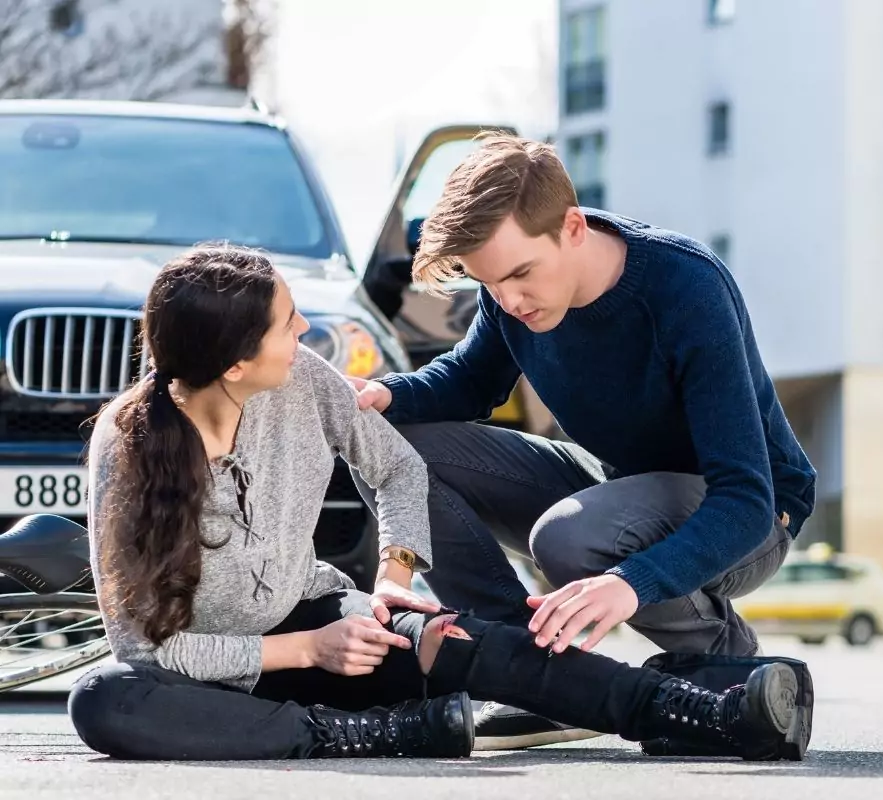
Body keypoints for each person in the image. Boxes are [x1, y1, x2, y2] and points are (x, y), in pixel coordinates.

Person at [66, 243, 804, 763]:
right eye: (286, 325)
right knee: (104, 698)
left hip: (322, 624)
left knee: (463, 640)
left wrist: (393, 574)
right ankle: (360, 734)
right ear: (233, 363)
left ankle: (708, 708)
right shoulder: (126, 453)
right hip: (211, 671)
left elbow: (399, 468)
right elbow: (146, 648)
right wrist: (299, 652)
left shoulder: (304, 382)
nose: (302, 333)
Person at [348, 134, 818, 753]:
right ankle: (532, 671)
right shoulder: (510, 299)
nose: (509, 300)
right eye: (489, 285)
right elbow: (468, 382)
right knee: (385, 443)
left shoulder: (686, 288)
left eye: (520, 274)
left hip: (751, 516)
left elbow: (745, 499)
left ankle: (723, 662)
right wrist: (386, 398)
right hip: (616, 488)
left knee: (571, 538)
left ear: (572, 228)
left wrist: (632, 582)